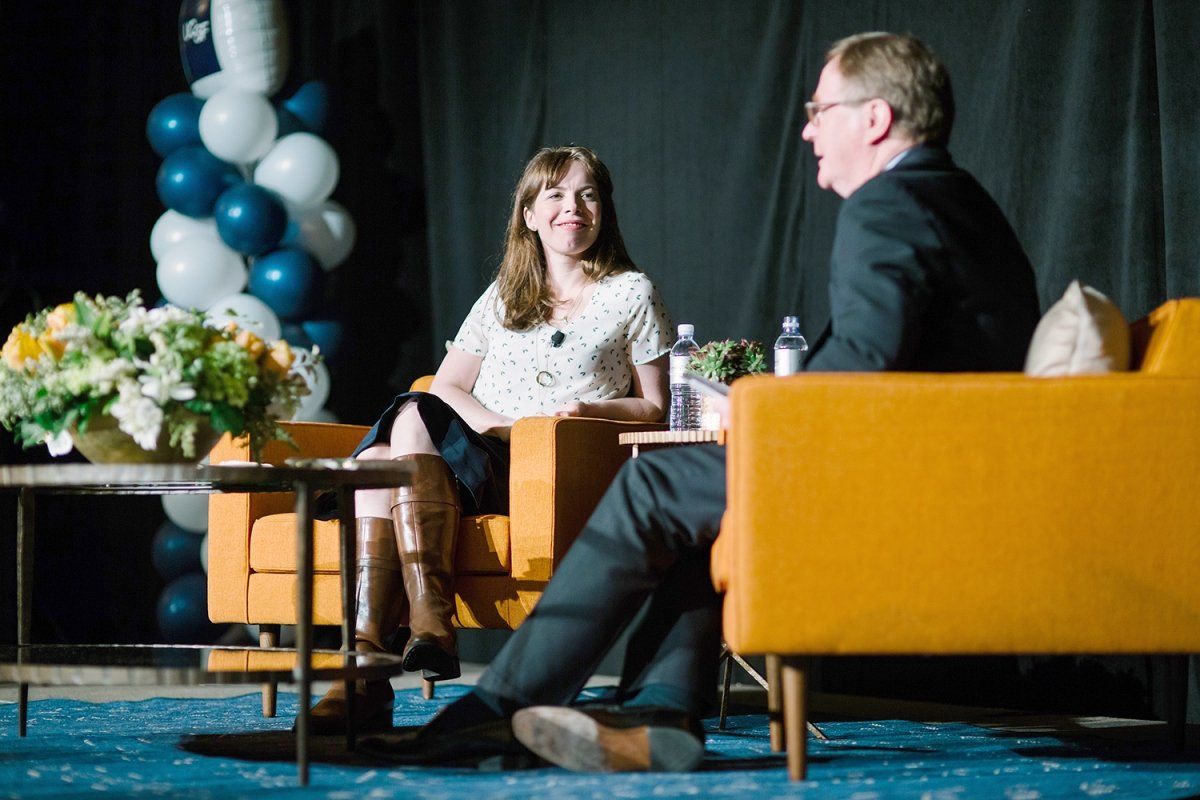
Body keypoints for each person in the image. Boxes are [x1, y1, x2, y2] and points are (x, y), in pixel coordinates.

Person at [363, 31, 1041, 771]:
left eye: (820, 111)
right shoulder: (959, 201)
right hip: (944, 462)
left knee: (655, 483)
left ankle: (497, 710)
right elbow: (887, 362)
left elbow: (864, 368)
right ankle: (659, 713)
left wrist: (751, 411)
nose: (809, 130)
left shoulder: (889, 205)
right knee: (691, 505)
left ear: (875, 119)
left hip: (900, 473)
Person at [309, 145, 674, 733]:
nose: (572, 207)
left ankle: (380, 663)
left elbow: (654, 406)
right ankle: (391, 652)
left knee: (394, 441)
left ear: (603, 210)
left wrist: (590, 409)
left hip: (548, 467)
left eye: (587, 194)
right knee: (390, 445)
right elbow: (448, 384)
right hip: (475, 455)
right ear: (529, 215)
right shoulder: (506, 293)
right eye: (555, 195)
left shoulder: (631, 291)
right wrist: (493, 424)